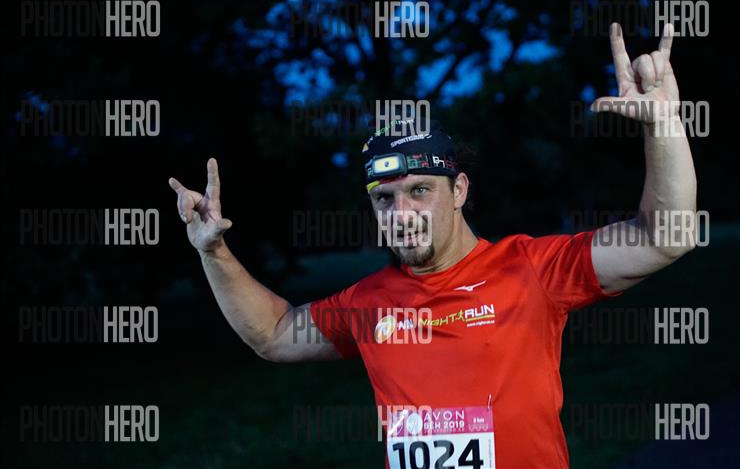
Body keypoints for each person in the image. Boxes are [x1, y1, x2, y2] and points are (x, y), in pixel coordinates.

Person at [168, 23, 696, 469]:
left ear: (459, 190)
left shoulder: (530, 268)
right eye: (385, 199)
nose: (401, 214)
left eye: (420, 191)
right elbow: (274, 334)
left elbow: (663, 238)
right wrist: (213, 252)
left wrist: (664, 124)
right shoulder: (367, 302)